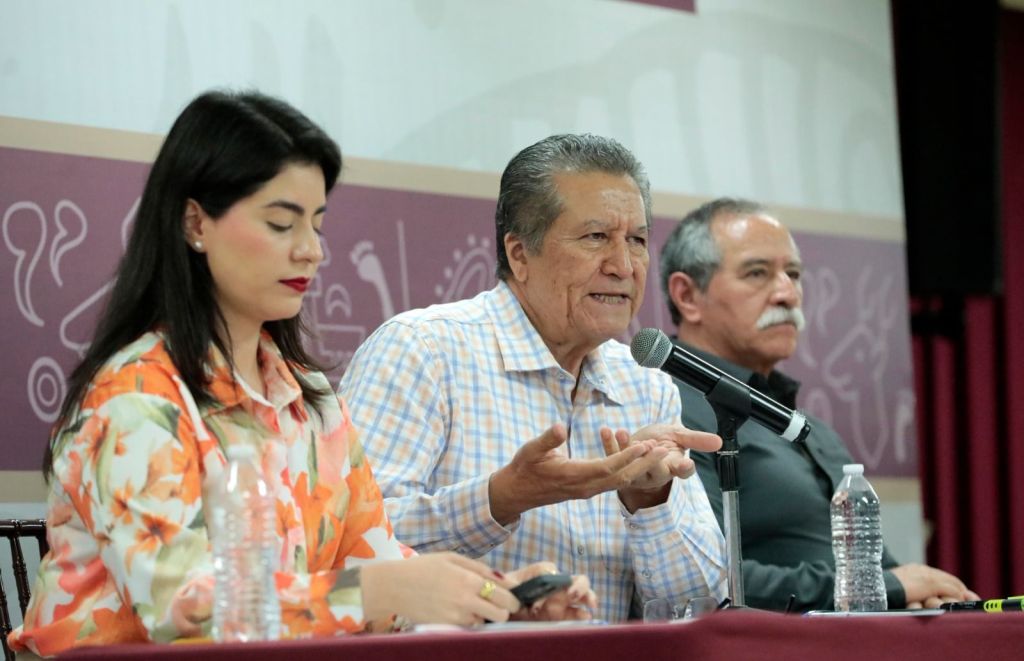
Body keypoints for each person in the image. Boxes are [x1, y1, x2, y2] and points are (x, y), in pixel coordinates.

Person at [9, 91, 594, 658]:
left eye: (316, 224)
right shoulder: (135, 398)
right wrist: (380, 591)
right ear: (195, 223)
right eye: (281, 223)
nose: (311, 250)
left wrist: (497, 598)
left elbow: (376, 567)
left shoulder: (310, 398)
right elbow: (185, 610)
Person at [339, 134, 728, 622]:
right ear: (520, 254)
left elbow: (701, 606)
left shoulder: (645, 385)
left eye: (637, 240)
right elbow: (352, 552)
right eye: (595, 237)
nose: (624, 266)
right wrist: (501, 498)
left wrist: (650, 500)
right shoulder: (423, 351)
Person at [658, 197, 979, 612]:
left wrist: (925, 595)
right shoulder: (666, 408)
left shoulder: (808, 428)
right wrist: (886, 588)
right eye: (757, 273)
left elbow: (883, 572)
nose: (787, 294)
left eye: (793, 274)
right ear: (687, 296)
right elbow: (703, 578)